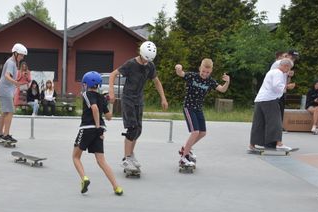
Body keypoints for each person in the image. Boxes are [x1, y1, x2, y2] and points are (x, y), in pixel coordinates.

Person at [108, 41, 168, 171]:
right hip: (128, 99)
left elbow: (156, 82)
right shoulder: (130, 64)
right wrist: (111, 92)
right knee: (132, 128)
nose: (146, 62)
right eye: (145, 59)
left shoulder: (150, 65)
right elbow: (113, 74)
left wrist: (163, 98)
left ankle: (130, 155)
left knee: (138, 130)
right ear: (141, 53)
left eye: (149, 61)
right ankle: (126, 158)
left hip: (139, 100)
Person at [72, 71, 123, 196]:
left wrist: (97, 126)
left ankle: (84, 178)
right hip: (99, 131)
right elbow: (109, 117)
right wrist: (110, 104)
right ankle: (116, 187)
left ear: (86, 84)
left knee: (75, 157)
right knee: (101, 161)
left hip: (88, 128)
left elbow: (94, 108)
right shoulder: (102, 98)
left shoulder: (86, 94)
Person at [174, 58, 230, 167]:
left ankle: (185, 149)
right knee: (195, 132)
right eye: (203, 71)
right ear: (200, 68)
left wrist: (227, 81)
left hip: (198, 108)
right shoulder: (192, 76)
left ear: (211, 71)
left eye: (207, 72)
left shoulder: (210, 81)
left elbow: (222, 89)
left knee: (202, 133)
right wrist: (178, 67)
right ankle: (183, 158)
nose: (205, 74)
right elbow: (180, 74)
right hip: (188, 107)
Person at [249, 58, 295, 151]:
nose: (288, 71)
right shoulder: (278, 73)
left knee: (258, 123)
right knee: (276, 121)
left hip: (260, 99)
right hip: (270, 99)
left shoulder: (271, 72)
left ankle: (252, 144)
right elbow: (276, 85)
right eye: (289, 68)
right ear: (285, 66)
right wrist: (287, 87)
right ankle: (279, 143)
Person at [0, 43, 27, 142]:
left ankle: (0, 133)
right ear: (15, 53)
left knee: (4, 112)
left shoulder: (12, 62)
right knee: (10, 112)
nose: (22, 57)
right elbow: (7, 76)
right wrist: (16, 83)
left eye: (23, 56)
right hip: (5, 91)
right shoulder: (11, 63)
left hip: (4, 90)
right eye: (21, 55)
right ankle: (6, 135)